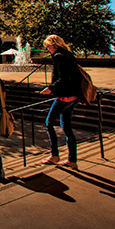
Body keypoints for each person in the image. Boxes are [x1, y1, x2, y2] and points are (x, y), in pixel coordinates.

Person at [40, 35, 81, 170]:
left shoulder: (59, 56)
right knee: (67, 128)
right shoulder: (69, 54)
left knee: (49, 122)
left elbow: (63, 78)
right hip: (74, 96)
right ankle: (72, 160)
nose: (48, 49)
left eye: (48, 47)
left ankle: (55, 155)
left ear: (53, 45)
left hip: (64, 96)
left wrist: (50, 88)